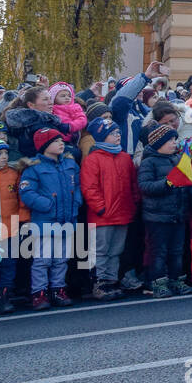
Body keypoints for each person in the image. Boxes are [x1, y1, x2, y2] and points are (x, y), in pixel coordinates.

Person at [19, 128, 83, 309]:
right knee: (43, 259)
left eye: (62, 140)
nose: (61, 143)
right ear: (45, 146)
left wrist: (76, 200)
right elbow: (27, 192)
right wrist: (47, 204)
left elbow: (77, 185)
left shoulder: (70, 164)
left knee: (61, 258)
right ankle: (39, 292)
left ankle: (58, 288)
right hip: (45, 220)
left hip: (67, 218)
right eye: (56, 141)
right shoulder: (35, 167)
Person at [79, 118, 139, 301]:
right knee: (101, 251)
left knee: (116, 250)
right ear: (102, 136)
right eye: (113, 133)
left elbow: (133, 184)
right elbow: (89, 188)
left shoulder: (124, 158)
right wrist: (101, 208)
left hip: (123, 212)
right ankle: (99, 281)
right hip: (103, 215)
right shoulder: (93, 159)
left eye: (118, 132)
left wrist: (134, 202)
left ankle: (112, 280)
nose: (118, 136)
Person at [137, 124, 192, 298]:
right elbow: (145, 186)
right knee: (158, 252)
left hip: (178, 214)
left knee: (177, 251)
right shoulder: (149, 162)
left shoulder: (177, 159)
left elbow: (185, 184)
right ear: (159, 143)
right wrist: (167, 183)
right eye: (170, 140)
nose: (174, 143)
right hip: (158, 216)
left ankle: (176, 280)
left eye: (175, 139)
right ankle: (158, 282)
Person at [0, 137, 27, 313]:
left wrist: (21, 219)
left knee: (8, 265)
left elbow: (21, 199)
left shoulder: (13, 174)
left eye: (6, 153)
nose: (4, 156)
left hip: (10, 228)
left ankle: (4, 297)